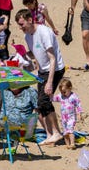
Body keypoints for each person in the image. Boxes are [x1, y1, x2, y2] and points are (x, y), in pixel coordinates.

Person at [14, 9, 65, 146]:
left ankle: (56, 132)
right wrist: (24, 54)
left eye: (22, 24)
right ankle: (49, 134)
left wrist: (49, 83)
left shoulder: (44, 32)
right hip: (43, 71)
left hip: (55, 69)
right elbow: (35, 54)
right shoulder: (27, 36)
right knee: (40, 104)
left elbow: (52, 58)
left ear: (30, 20)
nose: (20, 27)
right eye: (19, 25)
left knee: (44, 100)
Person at [52, 78, 83, 150]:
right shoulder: (61, 96)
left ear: (70, 88)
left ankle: (72, 143)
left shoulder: (73, 97)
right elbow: (54, 99)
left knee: (70, 130)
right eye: (61, 92)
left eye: (64, 92)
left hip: (71, 116)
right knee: (65, 132)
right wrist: (50, 95)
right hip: (64, 117)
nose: (63, 93)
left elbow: (78, 105)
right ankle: (67, 144)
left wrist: (79, 114)